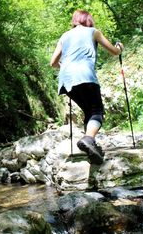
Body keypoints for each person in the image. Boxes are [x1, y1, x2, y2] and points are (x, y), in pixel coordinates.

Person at [50, 10, 124, 164]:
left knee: (88, 112)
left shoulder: (65, 36)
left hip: (66, 80)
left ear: (75, 20)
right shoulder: (94, 32)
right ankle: (89, 139)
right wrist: (120, 48)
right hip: (85, 75)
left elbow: (53, 63)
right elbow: (114, 51)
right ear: (88, 20)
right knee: (97, 111)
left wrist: (66, 66)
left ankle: (90, 147)